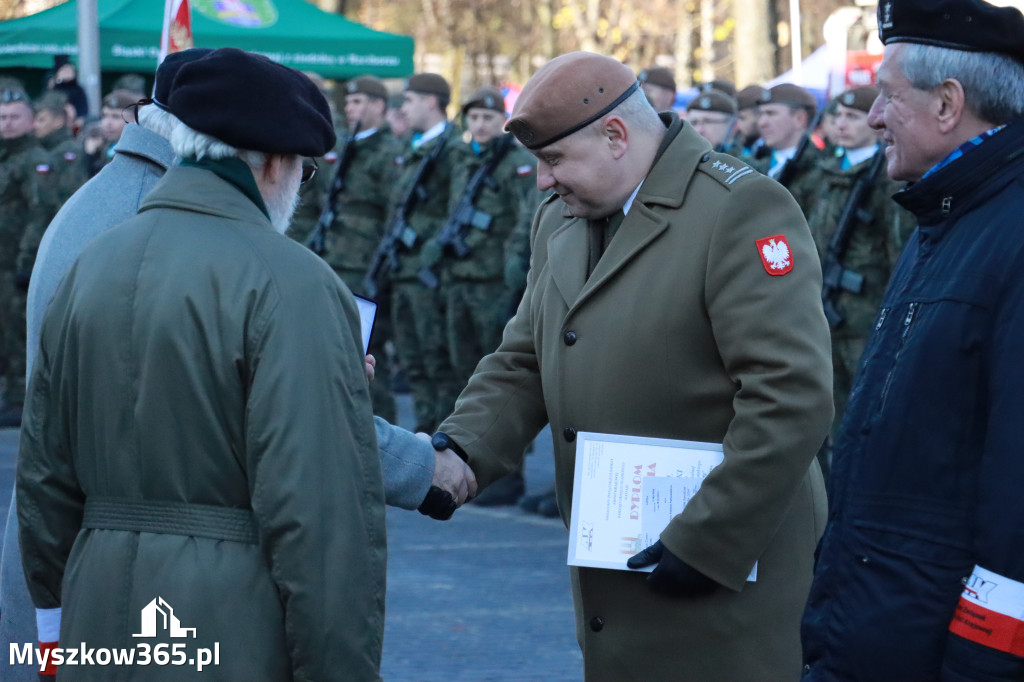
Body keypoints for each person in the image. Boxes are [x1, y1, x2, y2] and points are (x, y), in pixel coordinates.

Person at [15, 48, 473, 681]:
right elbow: (318, 520)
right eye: (304, 175)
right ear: (278, 163)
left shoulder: (94, 262)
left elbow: (43, 472)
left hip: (97, 616)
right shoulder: (293, 282)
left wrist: (52, 626)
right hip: (230, 621)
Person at [432, 51, 833, 679]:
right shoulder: (562, 218)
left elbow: (790, 395)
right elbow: (526, 354)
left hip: (723, 566)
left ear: (616, 136)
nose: (541, 181)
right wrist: (460, 451)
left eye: (555, 160)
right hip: (614, 560)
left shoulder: (738, 208)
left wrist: (707, 540)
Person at [801, 1, 1024, 679]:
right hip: (884, 625)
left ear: (949, 104)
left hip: (936, 646)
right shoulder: (948, 215)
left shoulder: (1008, 230)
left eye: (887, 96)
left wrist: (984, 658)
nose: (871, 118)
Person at [425, 86, 541, 507]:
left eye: (488, 118)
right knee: (462, 372)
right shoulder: (462, 159)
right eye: (473, 118)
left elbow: (525, 215)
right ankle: (466, 465)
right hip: (459, 279)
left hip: (494, 283)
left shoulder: (517, 163)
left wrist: (515, 262)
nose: (480, 125)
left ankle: (510, 473)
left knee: (498, 378)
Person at [802, 85, 915, 443]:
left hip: (866, 318)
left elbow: (899, 250)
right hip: (822, 314)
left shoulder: (887, 176)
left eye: (852, 116)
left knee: (865, 411)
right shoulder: (821, 173)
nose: (841, 124)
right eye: (835, 116)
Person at [293, 75, 403, 423]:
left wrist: (381, 271)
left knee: (367, 358)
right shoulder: (343, 148)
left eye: (358, 103)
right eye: (349, 103)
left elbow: (395, 215)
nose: (350, 108)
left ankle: (381, 439)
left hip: (366, 269)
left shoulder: (391, 152)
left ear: (379, 106)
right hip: (333, 262)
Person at [383, 73, 463, 433]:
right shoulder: (413, 148)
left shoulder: (452, 150)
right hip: (404, 272)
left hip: (430, 276)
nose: (404, 107)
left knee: (437, 364)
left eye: (410, 99)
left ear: (432, 101)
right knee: (413, 363)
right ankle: (423, 436)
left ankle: (442, 442)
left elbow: (455, 210)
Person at [0, 88, 59, 429]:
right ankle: (9, 391)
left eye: (14, 117)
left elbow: (41, 212)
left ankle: (20, 399)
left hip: (17, 265)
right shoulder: (8, 158)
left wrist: (26, 261)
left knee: (17, 333)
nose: (7, 124)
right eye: (2, 117)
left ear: (29, 120)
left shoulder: (36, 159)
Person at [754, 83, 824, 192]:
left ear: (800, 119)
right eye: (761, 114)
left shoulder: (821, 168)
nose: (761, 123)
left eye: (771, 113)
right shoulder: (753, 163)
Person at [33, 91, 90, 205]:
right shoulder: (44, 148)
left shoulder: (68, 152)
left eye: (41, 120)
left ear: (59, 121)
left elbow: (69, 195)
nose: (35, 125)